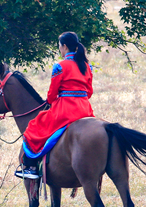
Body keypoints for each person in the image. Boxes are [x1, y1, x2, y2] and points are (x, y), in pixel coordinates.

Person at [17, 31, 95, 179]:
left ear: (65, 46)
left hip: (65, 110)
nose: (59, 49)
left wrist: (52, 100)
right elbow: (89, 92)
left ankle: (32, 167)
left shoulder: (60, 66)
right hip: (85, 110)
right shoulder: (87, 66)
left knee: (35, 126)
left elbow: (52, 94)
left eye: (59, 46)